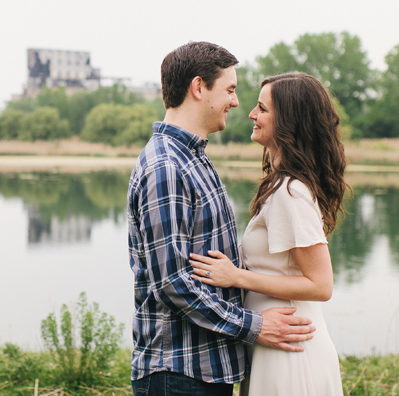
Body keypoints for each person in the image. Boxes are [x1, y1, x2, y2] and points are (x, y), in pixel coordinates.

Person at [128, 43, 316, 396]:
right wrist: (255, 326)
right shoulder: (167, 167)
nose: (235, 101)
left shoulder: (193, 158)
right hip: (179, 373)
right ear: (199, 88)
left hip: (203, 370)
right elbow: (172, 284)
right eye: (229, 89)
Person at [189, 72, 350, 395]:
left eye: (261, 108)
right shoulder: (281, 185)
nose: (251, 114)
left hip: (292, 352)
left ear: (289, 121)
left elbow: (321, 284)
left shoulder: (291, 192)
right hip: (274, 343)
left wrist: (236, 277)